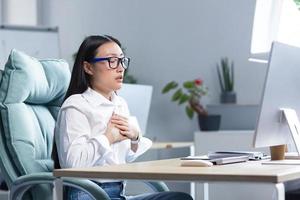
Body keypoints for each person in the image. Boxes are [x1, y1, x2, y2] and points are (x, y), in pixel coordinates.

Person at [53, 35, 193, 200]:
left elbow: (124, 156)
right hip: (86, 193)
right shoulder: (76, 105)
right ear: (88, 67)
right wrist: (108, 137)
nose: (120, 68)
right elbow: (73, 164)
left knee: (179, 198)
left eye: (122, 61)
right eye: (112, 61)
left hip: (118, 193)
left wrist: (135, 137)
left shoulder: (120, 103)